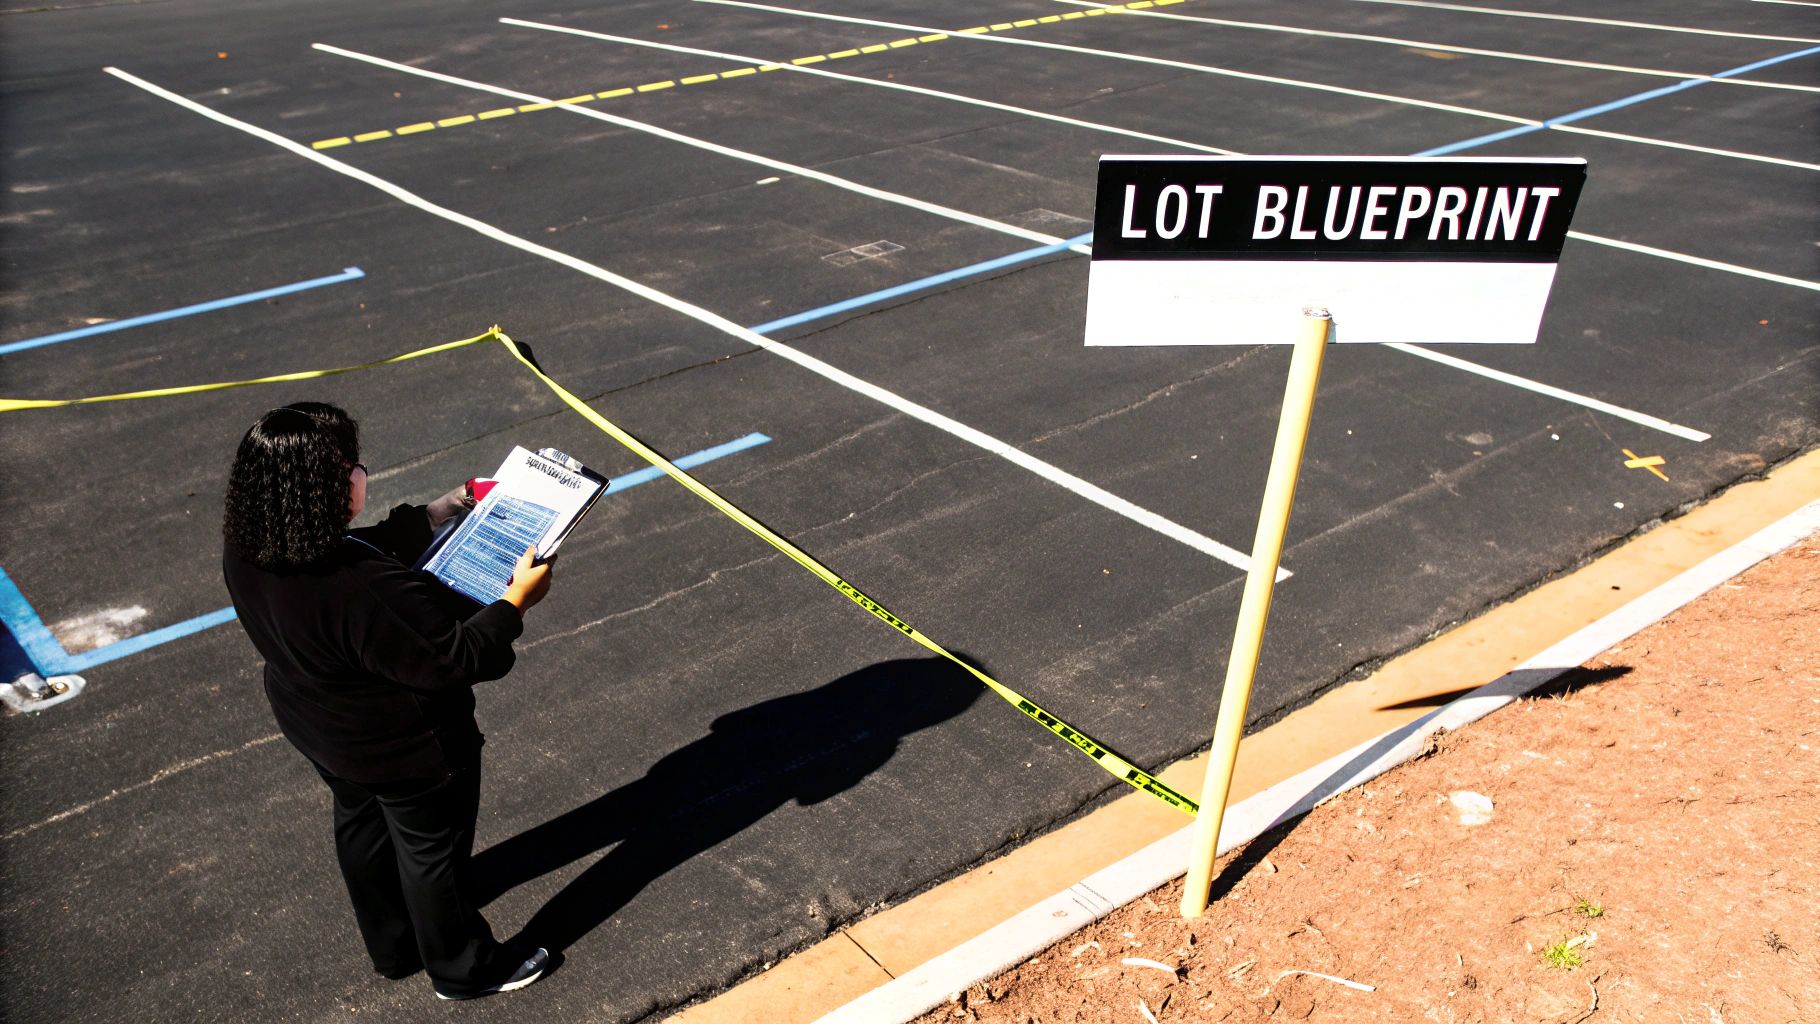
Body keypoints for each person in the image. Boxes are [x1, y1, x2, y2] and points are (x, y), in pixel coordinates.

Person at [221, 401, 553, 1000]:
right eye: (352, 465)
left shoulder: (253, 546)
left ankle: (394, 946)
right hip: (405, 746)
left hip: (321, 727)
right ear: (326, 486)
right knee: (434, 854)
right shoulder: (363, 588)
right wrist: (515, 603)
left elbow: (364, 544)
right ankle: (463, 969)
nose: (360, 474)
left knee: (362, 826)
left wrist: (439, 512)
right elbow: (459, 659)